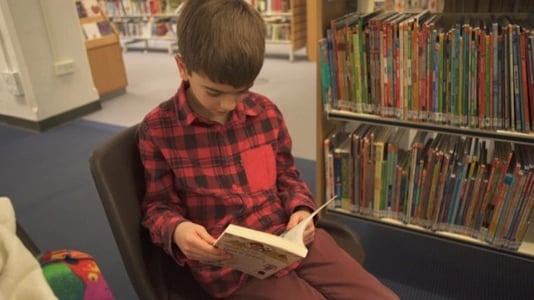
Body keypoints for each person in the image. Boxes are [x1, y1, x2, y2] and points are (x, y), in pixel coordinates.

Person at [137, 0, 399, 299]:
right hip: (234, 269)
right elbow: (157, 207)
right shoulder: (158, 130)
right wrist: (178, 230)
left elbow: (287, 175)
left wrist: (301, 209)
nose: (228, 105)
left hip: (292, 241)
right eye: (214, 92)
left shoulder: (265, 112)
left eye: (242, 91)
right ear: (183, 67)